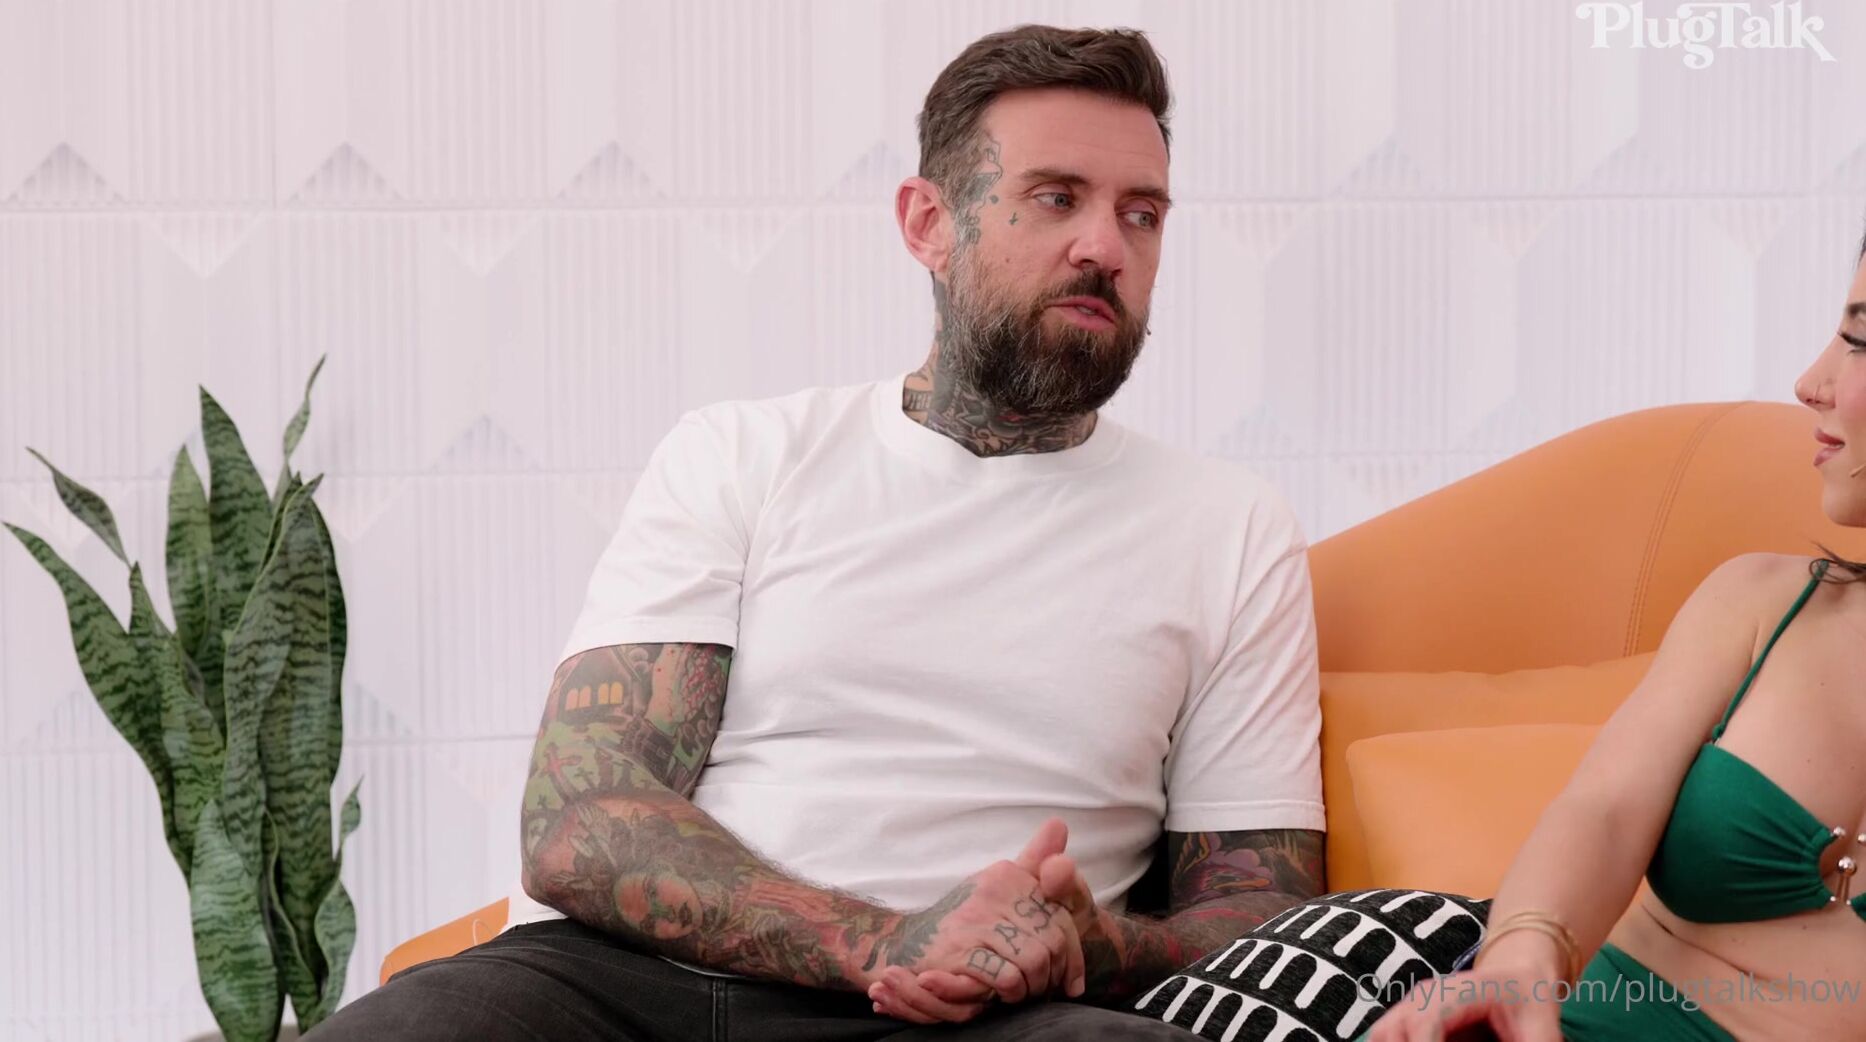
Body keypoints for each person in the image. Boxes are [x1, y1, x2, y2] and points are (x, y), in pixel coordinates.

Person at [308, 23, 1327, 1042]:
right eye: (1057, 197)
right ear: (929, 223)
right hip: (629, 986)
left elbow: (1263, 913)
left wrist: (1096, 947)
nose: (1105, 247)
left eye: (1141, 214)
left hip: (978, 1020)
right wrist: (884, 940)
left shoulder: (1229, 529)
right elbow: (581, 815)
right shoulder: (744, 454)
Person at [1366, 237, 1866, 1041]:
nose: (1811, 382)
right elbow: (1604, 808)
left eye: (1859, 340)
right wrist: (1522, 954)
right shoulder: (1764, 602)